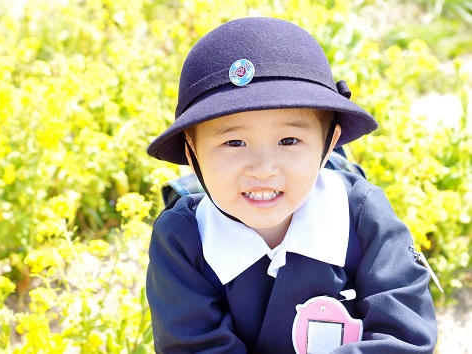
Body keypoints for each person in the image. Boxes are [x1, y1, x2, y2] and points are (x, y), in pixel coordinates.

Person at [146, 17, 437, 353]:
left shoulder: (360, 216)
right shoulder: (183, 240)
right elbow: (192, 346)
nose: (264, 169)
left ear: (329, 144)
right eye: (234, 143)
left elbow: (404, 336)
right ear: (192, 151)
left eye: (289, 140)